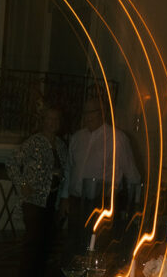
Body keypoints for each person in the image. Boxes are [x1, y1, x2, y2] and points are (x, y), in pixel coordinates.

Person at [60, 95, 140, 253]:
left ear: (102, 113)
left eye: (92, 112)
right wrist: (64, 197)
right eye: (85, 112)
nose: (88, 116)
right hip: (77, 201)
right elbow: (70, 170)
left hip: (101, 203)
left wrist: (135, 204)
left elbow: (132, 173)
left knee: (96, 245)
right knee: (73, 243)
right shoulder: (77, 138)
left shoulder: (117, 138)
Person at [7, 105, 67, 277]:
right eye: (49, 119)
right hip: (34, 200)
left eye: (56, 119)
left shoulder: (62, 145)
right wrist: (22, 183)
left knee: (46, 241)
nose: (52, 123)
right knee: (33, 242)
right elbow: (11, 163)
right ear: (43, 121)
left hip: (53, 199)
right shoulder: (34, 142)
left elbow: (65, 169)